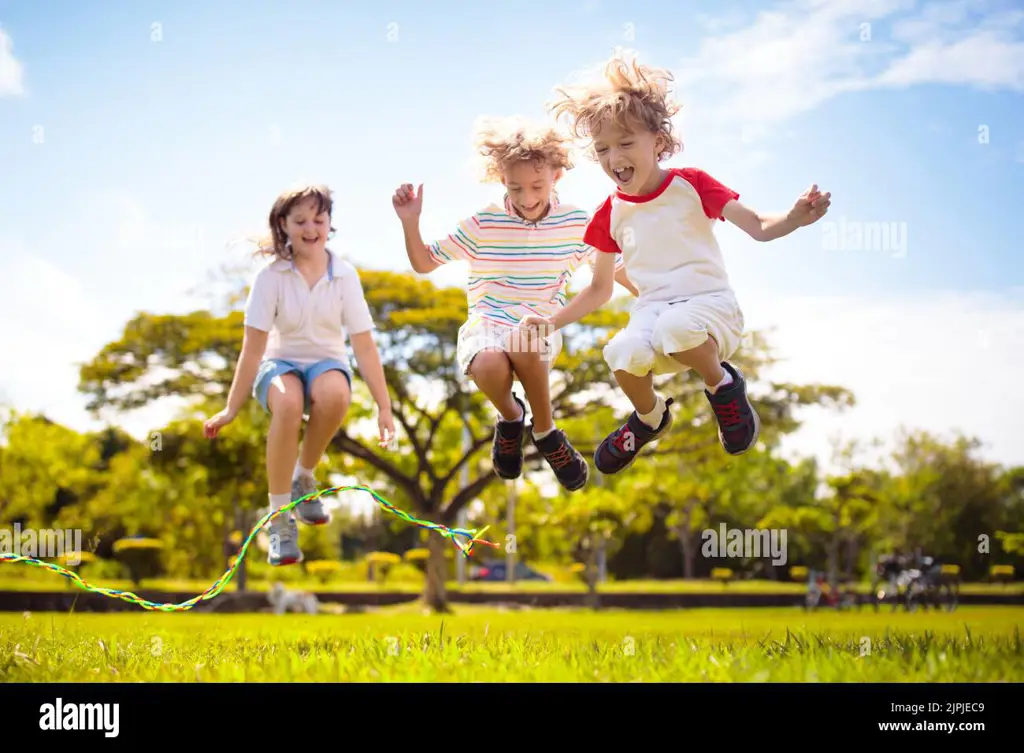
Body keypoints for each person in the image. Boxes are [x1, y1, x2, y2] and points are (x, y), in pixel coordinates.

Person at [526, 52, 830, 474]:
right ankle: (650, 418)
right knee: (621, 351)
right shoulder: (608, 214)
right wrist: (549, 322)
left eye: (626, 143)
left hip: (710, 311)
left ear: (658, 139)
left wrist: (795, 218)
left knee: (677, 326)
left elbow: (758, 225)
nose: (615, 158)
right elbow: (599, 288)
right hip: (655, 319)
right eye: (603, 149)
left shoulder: (691, 184)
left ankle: (723, 386)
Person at [391, 115, 637, 491]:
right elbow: (425, 263)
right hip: (487, 322)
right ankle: (511, 418)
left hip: (541, 324)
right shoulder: (483, 223)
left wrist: (664, 298)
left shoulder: (576, 223)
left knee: (523, 337)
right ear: (500, 179)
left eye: (536, 185)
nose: (526, 198)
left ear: (557, 175)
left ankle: (545, 430)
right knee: (488, 363)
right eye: (514, 187)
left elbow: (616, 274)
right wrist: (411, 221)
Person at [204, 184, 395, 565]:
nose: (311, 228)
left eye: (319, 219)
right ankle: (280, 521)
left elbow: (364, 345)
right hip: (279, 362)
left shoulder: (345, 276)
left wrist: (384, 408)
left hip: (327, 360)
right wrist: (230, 409)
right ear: (283, 225)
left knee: (336, 395)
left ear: (330, 224)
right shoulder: (270, 276)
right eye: (301, 220)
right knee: (288, 403)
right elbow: (254, 347)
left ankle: (303, 476)